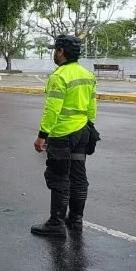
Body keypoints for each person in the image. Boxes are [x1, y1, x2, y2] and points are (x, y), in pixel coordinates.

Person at [31, 35, 98, 238]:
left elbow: (52, 109)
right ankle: (75, 219)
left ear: (61, 51)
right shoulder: (87, 75)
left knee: (59, 177)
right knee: (78, 176)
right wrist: (89, 125)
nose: (54, 52)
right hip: (83, 132)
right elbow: (92, 106)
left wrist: (42, 135)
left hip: (62, 135)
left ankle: (56, 223)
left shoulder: (59, 76)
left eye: (55, 49)